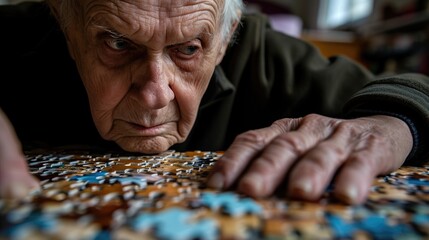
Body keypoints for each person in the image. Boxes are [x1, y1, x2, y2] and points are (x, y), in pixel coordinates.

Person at [0, 0, 428, 205]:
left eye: (188, 49)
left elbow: (414, 91)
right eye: (116, 42)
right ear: (65, 25)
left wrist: (394, 124)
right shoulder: (16, 38)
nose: (155, 94)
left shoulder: (261, 56)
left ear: (225, 40)